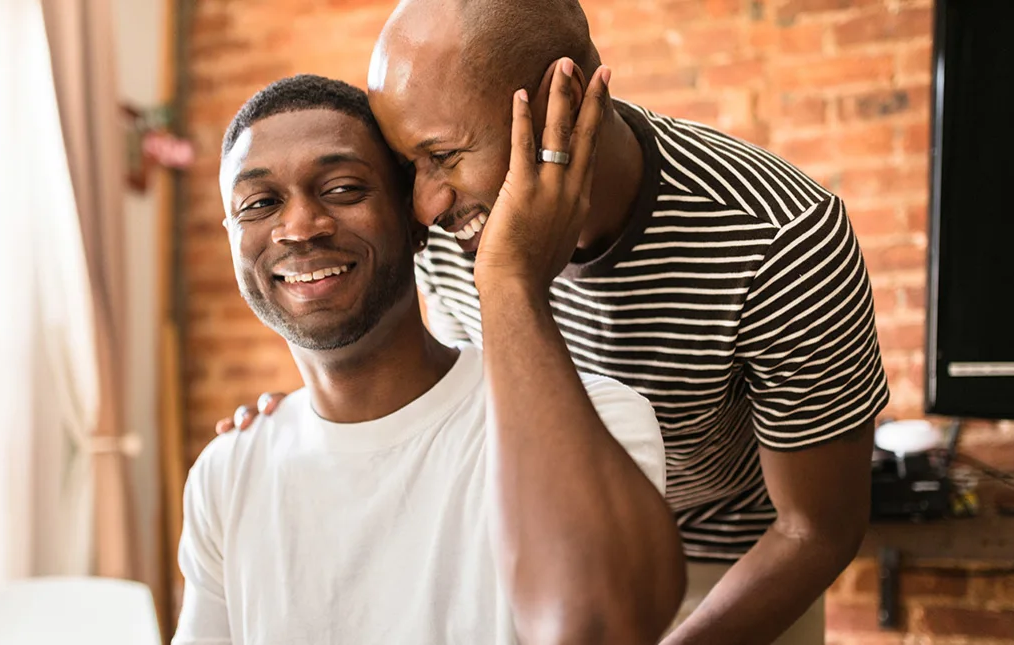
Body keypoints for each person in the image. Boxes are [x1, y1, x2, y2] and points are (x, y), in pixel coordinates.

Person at [220, 1, 891, 643]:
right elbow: (459, 406)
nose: (424, 204)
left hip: (730, 573)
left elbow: (816, 529)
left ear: (556, 107)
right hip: (536, 552)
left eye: (444, 156)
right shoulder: (455, 227)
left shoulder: (781, 237)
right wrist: (316, 420)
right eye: (407, 166)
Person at [175, 74, 685, 645]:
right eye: (260, 204)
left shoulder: (600, 422)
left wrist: (510, 281)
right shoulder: (227, 472)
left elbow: (602, 626)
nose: (298, 228)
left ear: (415, 218)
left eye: (342, 188)